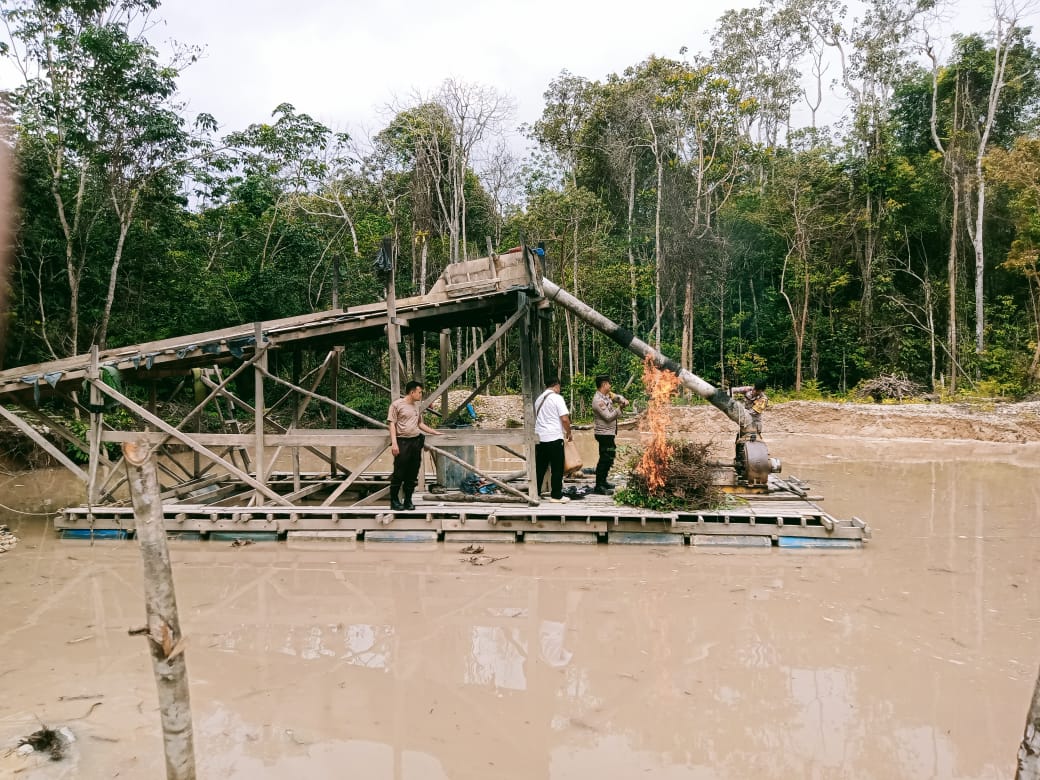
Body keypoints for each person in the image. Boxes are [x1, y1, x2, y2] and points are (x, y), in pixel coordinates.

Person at [387, 380, 442, 511]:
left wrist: (434, 432)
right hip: (402, 441)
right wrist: (394, 443)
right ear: (412, 392)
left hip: (415, 441)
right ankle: (394, 501)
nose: (420, 395)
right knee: (399, 472)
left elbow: (420, 424)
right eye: (419, 392)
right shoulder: (396, 405)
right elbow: (391, 424)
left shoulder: (416, 406)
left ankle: (408, 500)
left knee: (412, 472)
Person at [534, 376, 572, 503]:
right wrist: (569, 433)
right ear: (557, 385)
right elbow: (565, 419)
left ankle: (536, 492)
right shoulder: (557, 398)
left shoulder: (538, 399)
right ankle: (556, 495)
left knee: (540, 467)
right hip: (554, 437)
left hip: (540, 438)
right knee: (557, 468)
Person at [591, 374, 628, 494]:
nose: (610, 385)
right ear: (603, 385)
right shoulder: (598, 400)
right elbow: (608, 417)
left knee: (610, 457)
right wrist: (620, 408)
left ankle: (604, 481)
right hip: (603, 434)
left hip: (609, 433)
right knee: (605, 458)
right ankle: (599, 485)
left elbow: (616, 397)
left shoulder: (607, 396)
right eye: (608, 383)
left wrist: (621, 399)